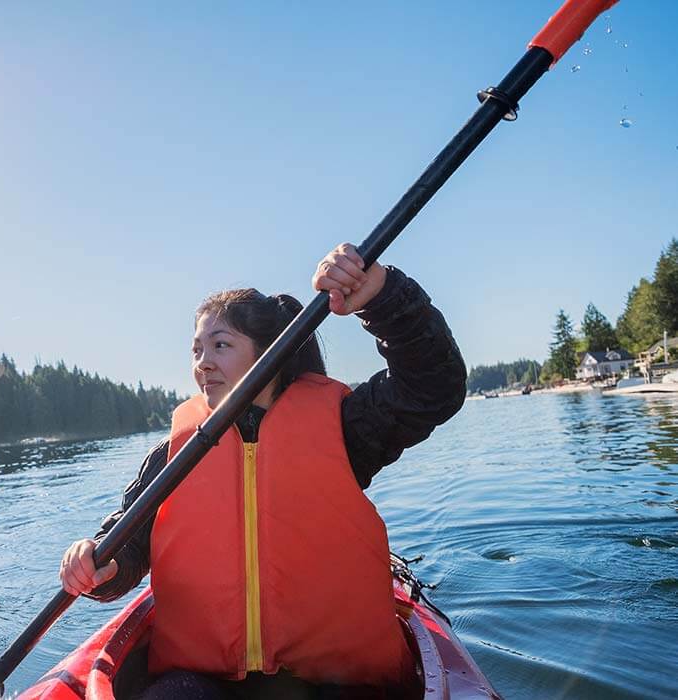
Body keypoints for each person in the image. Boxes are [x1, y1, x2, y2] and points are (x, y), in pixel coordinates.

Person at [59, 243, 467, 699]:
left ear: (270, 354)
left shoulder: (345, 426)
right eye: (197, 349)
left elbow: (434, 385)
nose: (202, 362)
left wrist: (382, 295)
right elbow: (129, 546)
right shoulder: (173, 455)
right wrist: (101, 563)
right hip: (203, 679)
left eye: (220, 345)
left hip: (333, 680)